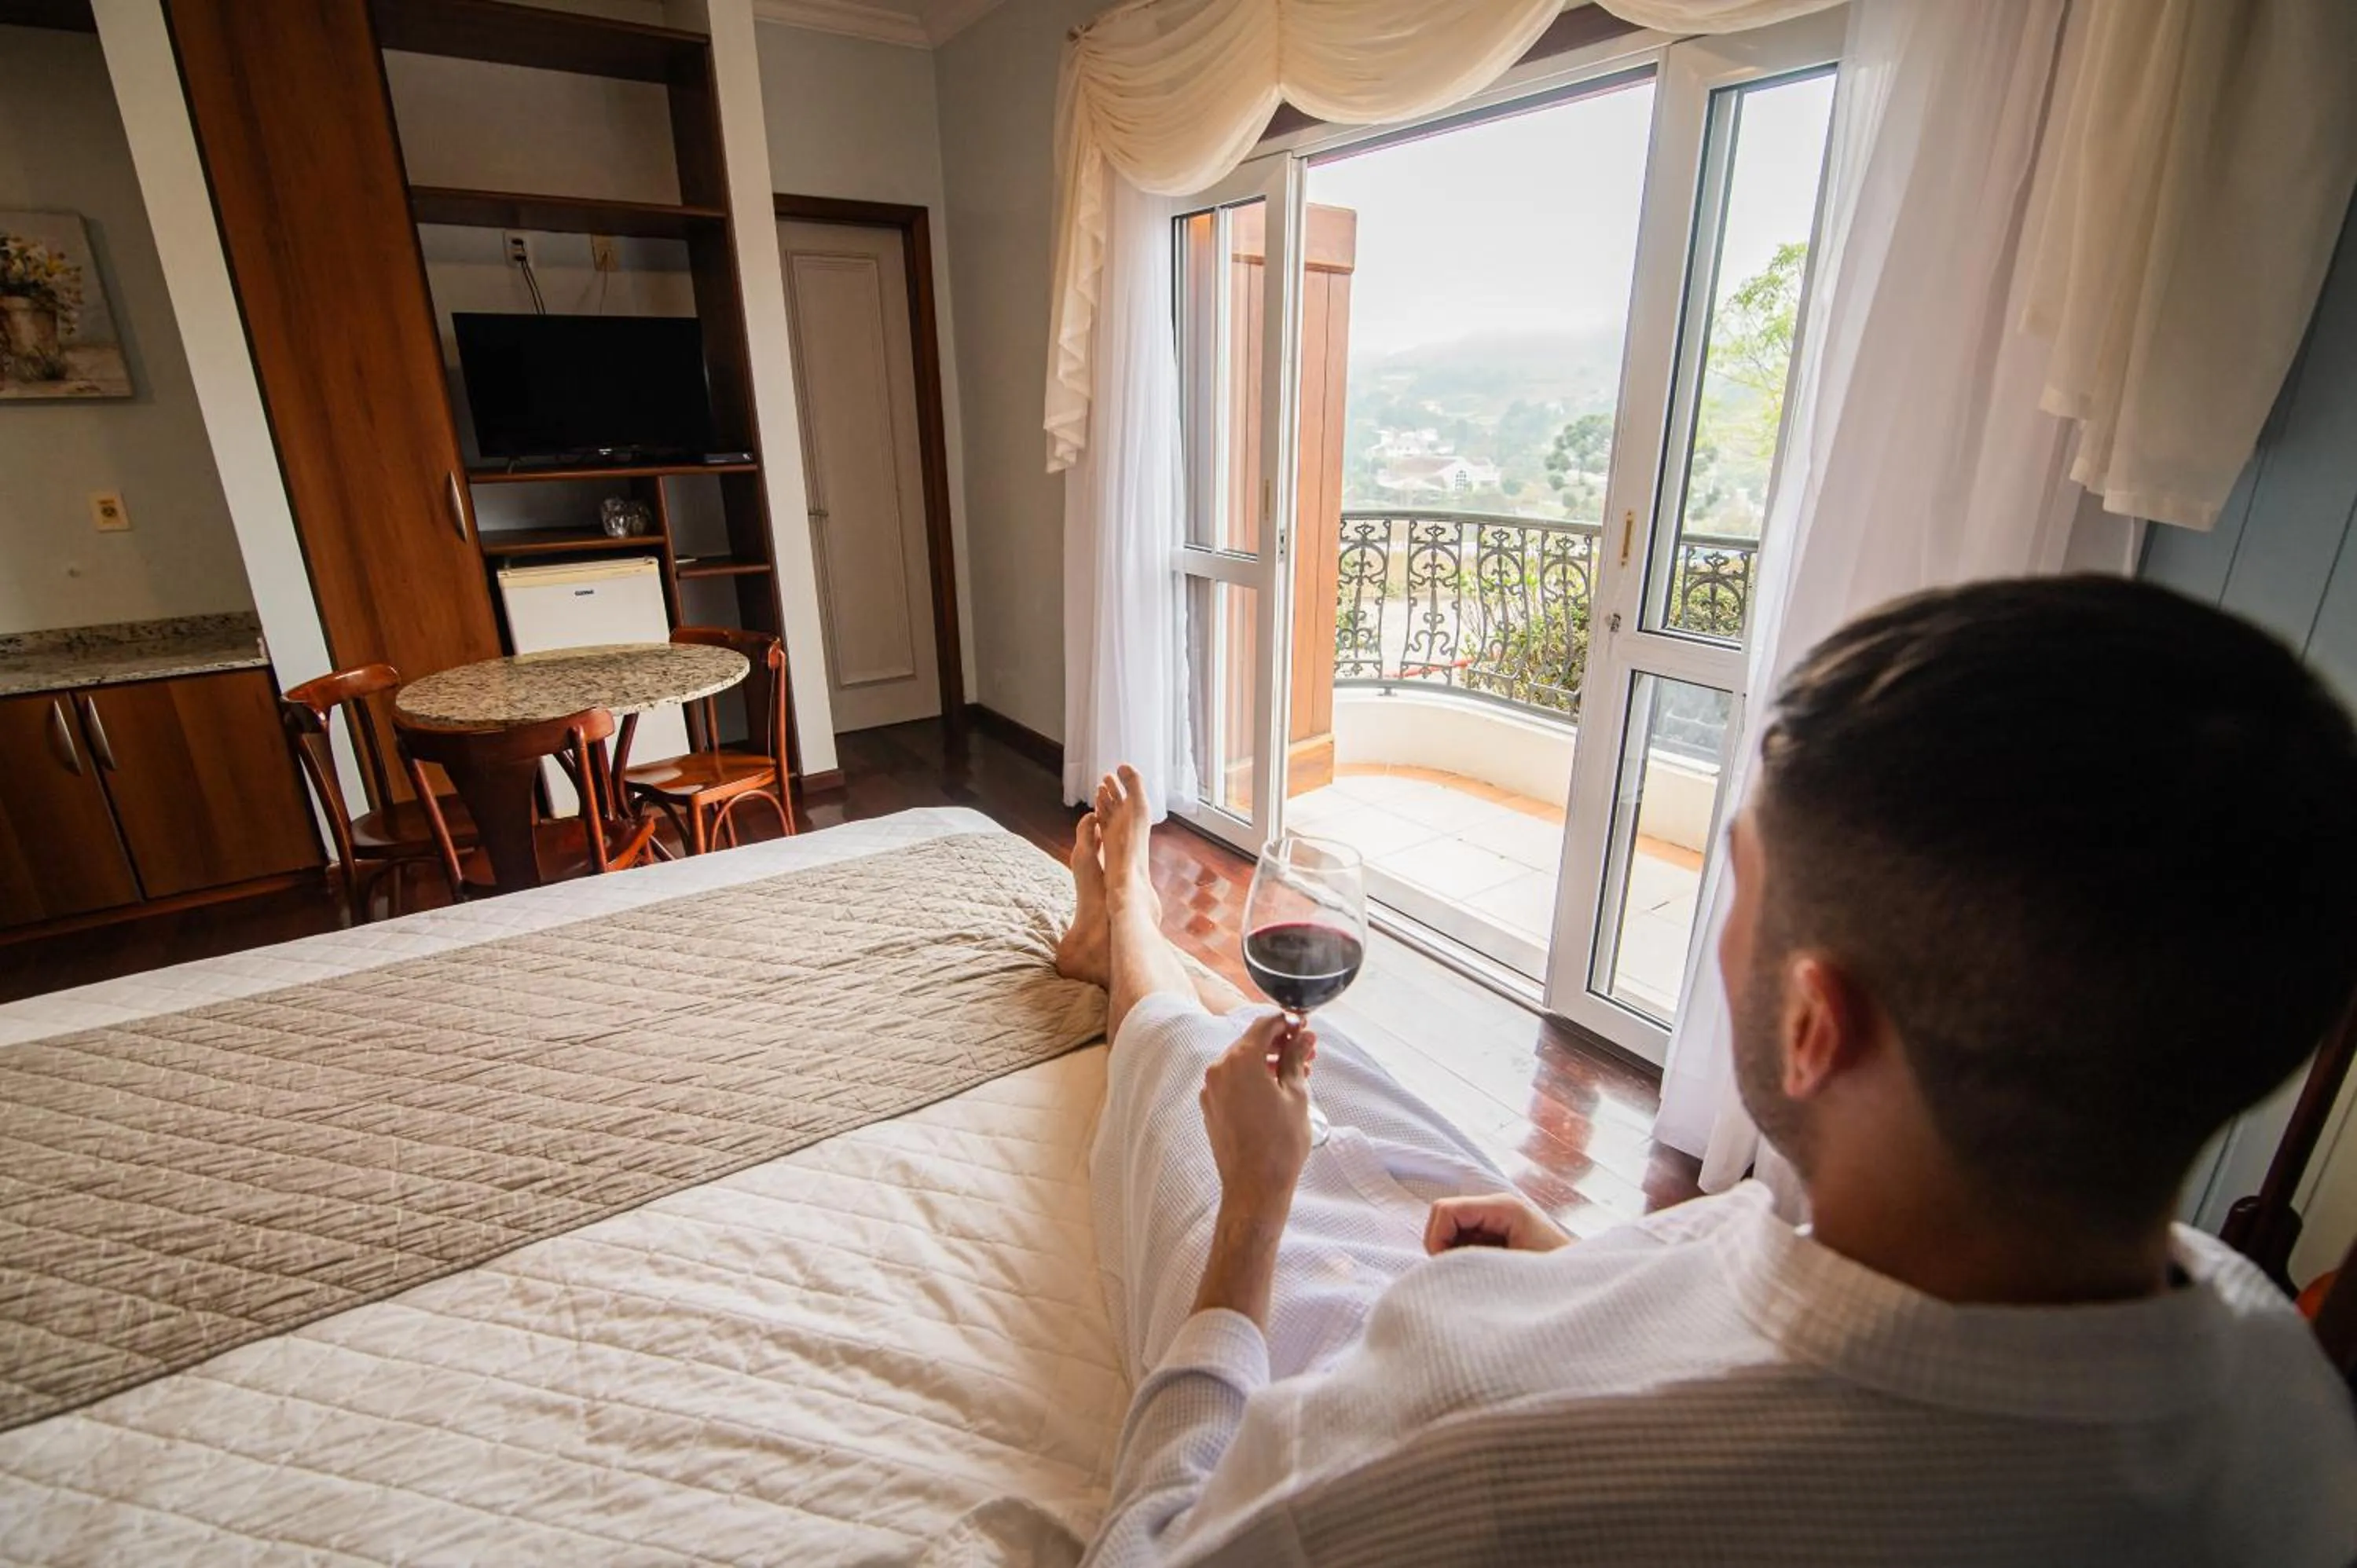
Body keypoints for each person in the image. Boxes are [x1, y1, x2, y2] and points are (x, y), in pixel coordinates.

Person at [1058, 577, 2357, 1566]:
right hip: (1567, 1285)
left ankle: (1122, 933)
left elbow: (1156, 1547)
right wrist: (1578, 1270)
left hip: (1380, 1327)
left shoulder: (1491, 1436)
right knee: (1363, 1083)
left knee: (1185, 1076)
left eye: (1735, 884)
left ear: (1814, 1024)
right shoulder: (2286, 1402)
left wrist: (1253, 1216)